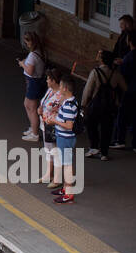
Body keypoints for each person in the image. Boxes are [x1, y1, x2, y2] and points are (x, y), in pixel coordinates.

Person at [82, 49, 125, 161]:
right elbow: (125, 88)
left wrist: (83, 104)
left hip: (95, 105)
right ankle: (104, 153)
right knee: (107, 128)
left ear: (102, 60)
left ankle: (94, 147)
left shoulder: (95, 72)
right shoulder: (116, 74)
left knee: (92, 125)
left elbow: (88, 90)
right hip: (110, 105)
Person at [46, 74, 82, 203]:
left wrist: (55, 121)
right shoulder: (71, 102)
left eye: (60, 86)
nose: (59, 88)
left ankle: (69, 193)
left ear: (65, 88)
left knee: (67, 166)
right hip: (66, 138)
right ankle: (65, 188)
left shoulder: (67, 106)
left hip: (65, 138)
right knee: (66, 164)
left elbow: (68, 125)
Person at [37, 68, 64, 186]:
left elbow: (56, 109)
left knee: (56, 151)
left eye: (48, 78)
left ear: (53, 80)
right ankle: (48, 174)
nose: (47, 80)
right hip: (45, 125)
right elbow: (44, 103)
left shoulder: (60, 95)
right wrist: (40, 109)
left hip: (54, 126)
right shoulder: (50, 90)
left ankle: (57, 179)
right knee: (48, 150)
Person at [18, 32, 46, 141]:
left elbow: (30, 71)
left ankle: (35, 134)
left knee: (32, 108)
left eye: (27, 42)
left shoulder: (33, 55)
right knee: (28, 105)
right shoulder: (38, 52)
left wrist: (22, 64)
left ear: (31, 42)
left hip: (34, 83)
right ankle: (33, 127)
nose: (26, 44)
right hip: (36, 82)